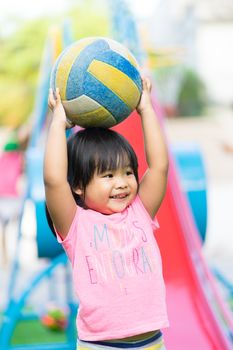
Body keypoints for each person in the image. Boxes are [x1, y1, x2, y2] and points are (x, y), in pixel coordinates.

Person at [44, 77, 169, 349]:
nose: (122, 182)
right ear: (77, 186)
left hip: (152, 342)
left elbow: (159, 166)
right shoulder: (76, 224)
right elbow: (54, 180)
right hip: (100, 345)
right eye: (108, 175)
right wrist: (57, 125)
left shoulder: (140, 212)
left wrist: (146, 110)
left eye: (127, 172)